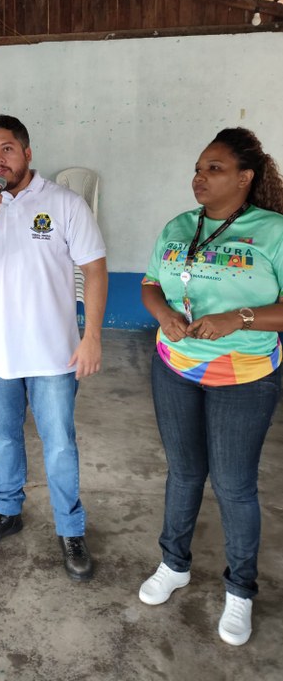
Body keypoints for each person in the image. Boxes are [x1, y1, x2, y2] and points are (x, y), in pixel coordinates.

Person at [0, 114, 108, 581]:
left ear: (27, 153)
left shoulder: (64, 204)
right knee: (3, 438)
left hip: (54, 354)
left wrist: (91, 336)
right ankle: (7, 512)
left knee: (59, 445)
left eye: (7, 149)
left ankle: (70, 529)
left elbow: (94, 268)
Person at [139, 127, 283, 646]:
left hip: (243, 376)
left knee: (233, 485)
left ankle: (240, 590)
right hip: (174, 366)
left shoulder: (274, 231)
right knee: (183, 472)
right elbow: (151, 282)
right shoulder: (180, 225)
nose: (199, 178)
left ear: (245, 178)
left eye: (213, 169)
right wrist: (164, 315)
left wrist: (240, 317)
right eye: (198, 168)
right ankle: (174, 563)